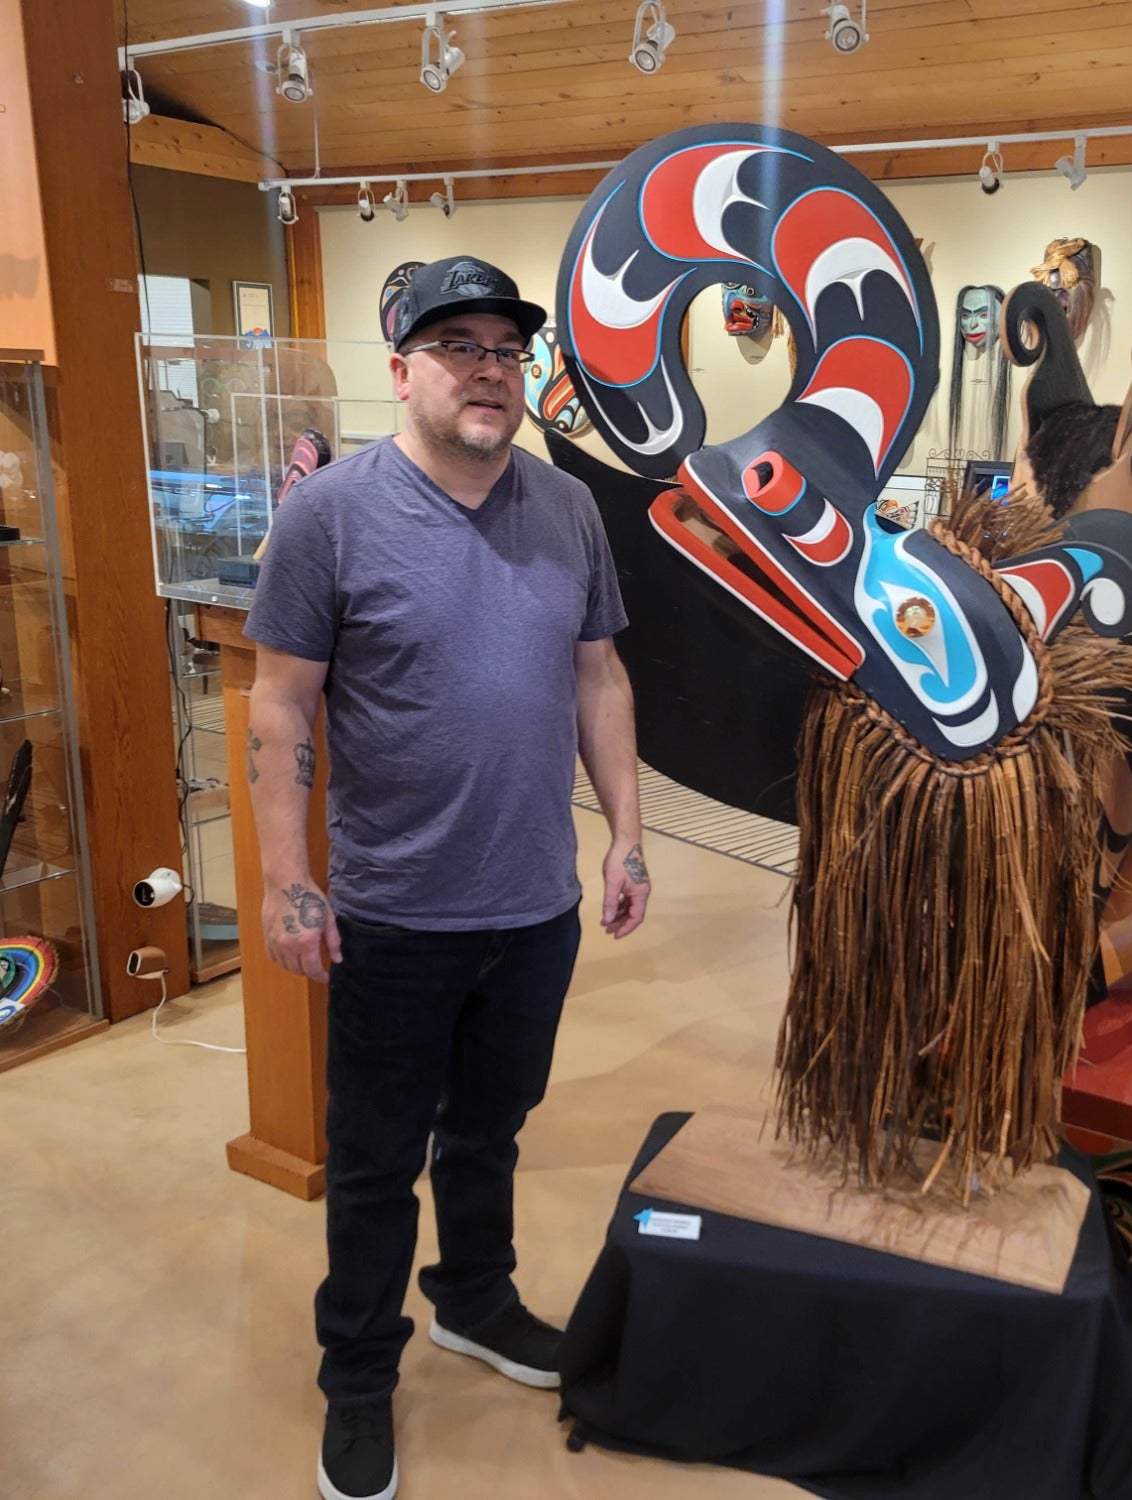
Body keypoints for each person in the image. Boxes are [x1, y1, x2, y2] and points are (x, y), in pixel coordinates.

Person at [243, 255, 649, 1500]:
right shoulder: (331, 515)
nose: (490, 368)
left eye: (508, 349)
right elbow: (280, 702)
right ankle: (359, 1379)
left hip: (534, 907)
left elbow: (600, 678)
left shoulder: (568, 507)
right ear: (402, 369)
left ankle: (473, 1299)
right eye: (460, 345)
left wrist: (627, 834)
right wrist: (283, 879)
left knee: (490, 1130)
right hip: (395, 913)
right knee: (373, 1162)